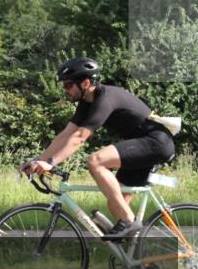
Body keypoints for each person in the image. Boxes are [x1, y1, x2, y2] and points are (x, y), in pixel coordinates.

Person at [21, 57, 176, 241]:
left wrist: (51, 163)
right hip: (141, 146)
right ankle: (141, 264)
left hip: (155, 143)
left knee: (95, 161)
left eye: (68, 85)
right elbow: (66, 135)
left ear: (85, 82)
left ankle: (128, 221)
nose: (65, 90)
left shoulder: (105, 98)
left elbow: (79, 138)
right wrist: (40, 159)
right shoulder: (86, 102)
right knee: (116, 204)